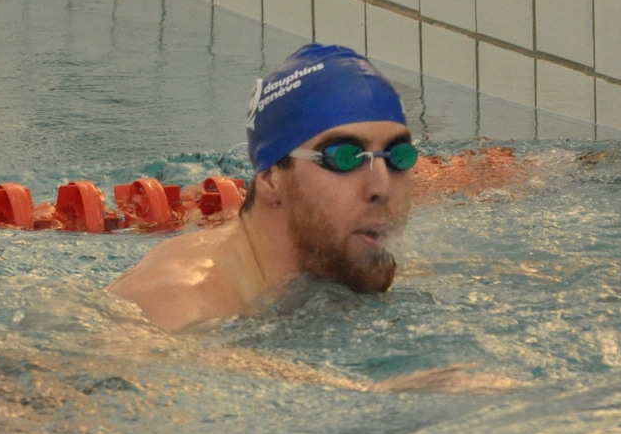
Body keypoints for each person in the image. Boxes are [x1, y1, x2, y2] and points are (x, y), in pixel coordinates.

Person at [108, 43, 416, 331]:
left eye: (398, 157)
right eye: (344, 158)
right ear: (270, 178)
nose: (382, 188)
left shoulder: (329, 266)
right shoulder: (181, 302)